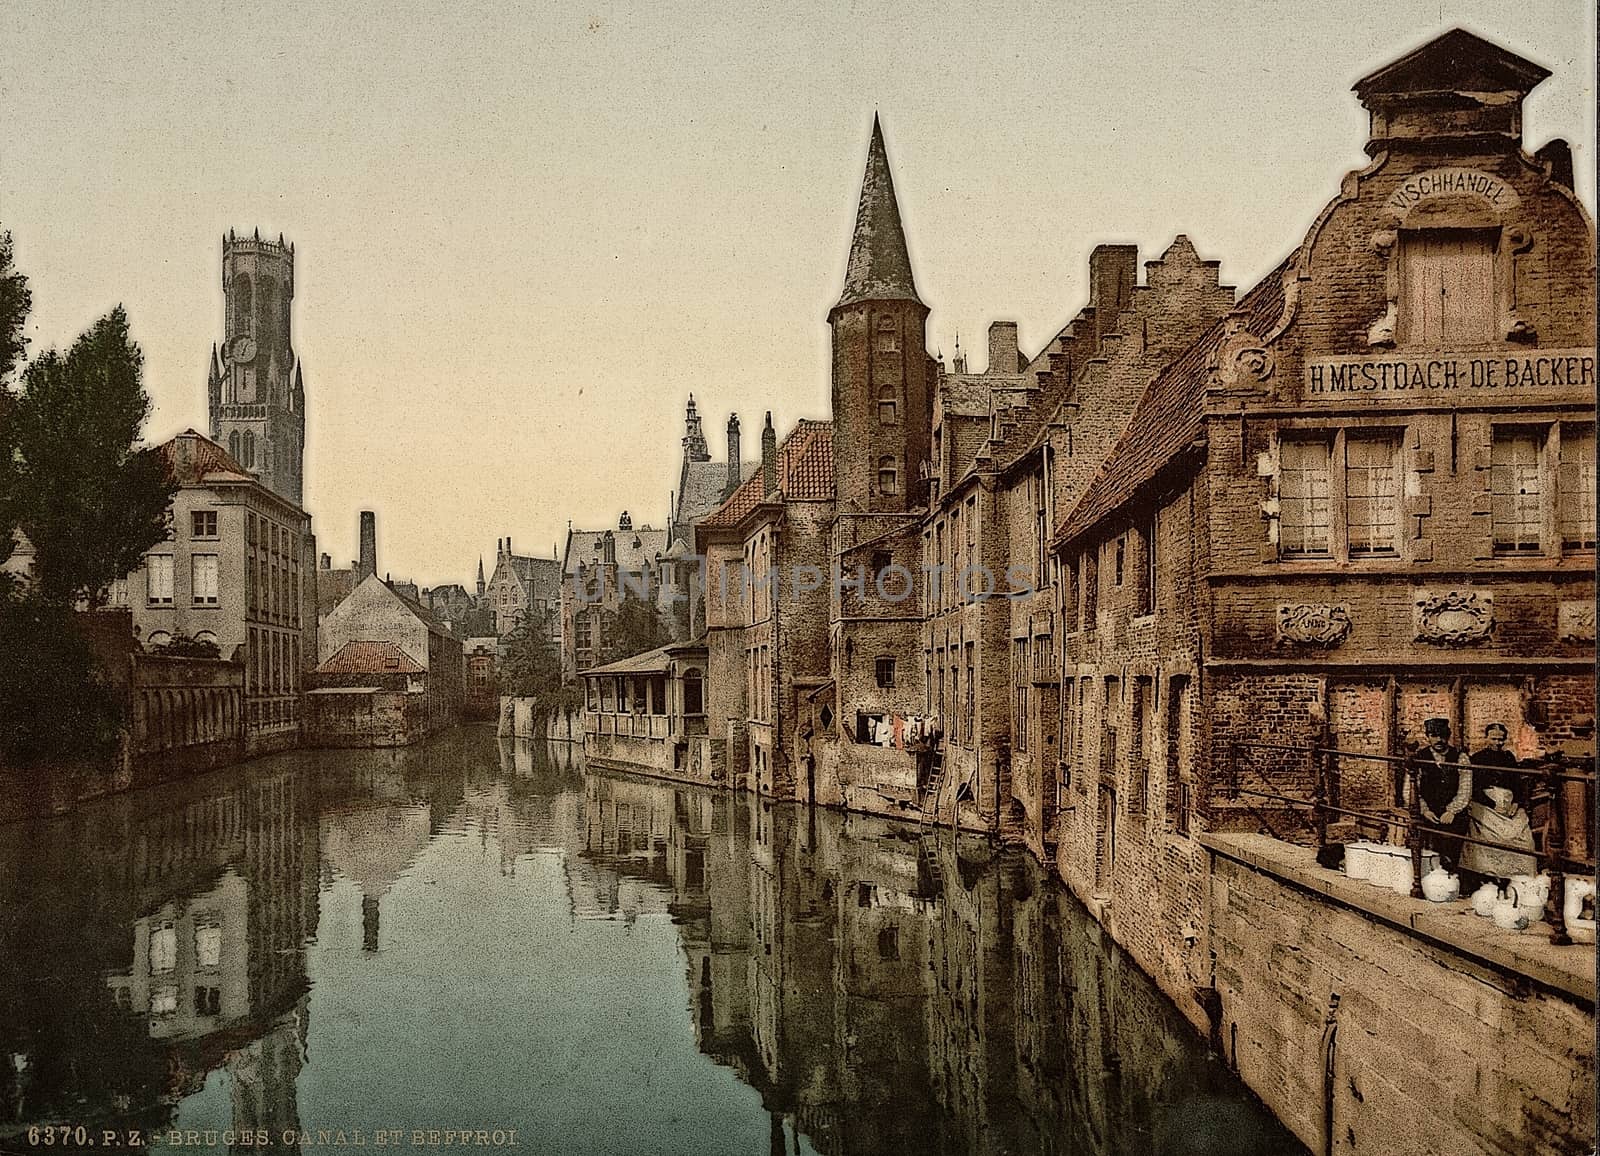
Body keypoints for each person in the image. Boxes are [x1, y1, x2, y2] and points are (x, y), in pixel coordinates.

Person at [1411, 718, 1471, 870]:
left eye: (1442, 736)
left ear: (1448, 736)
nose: (1438, 740)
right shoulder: (1419, 758)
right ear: (1428, 737)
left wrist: (1452, 810)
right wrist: (1424, 810)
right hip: (1428, 812)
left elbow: (1465, 788)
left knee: (1453, 839)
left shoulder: (1460, 757)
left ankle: (1453, 874)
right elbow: (1410, 789)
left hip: (1453, 813)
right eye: (1434, 735)